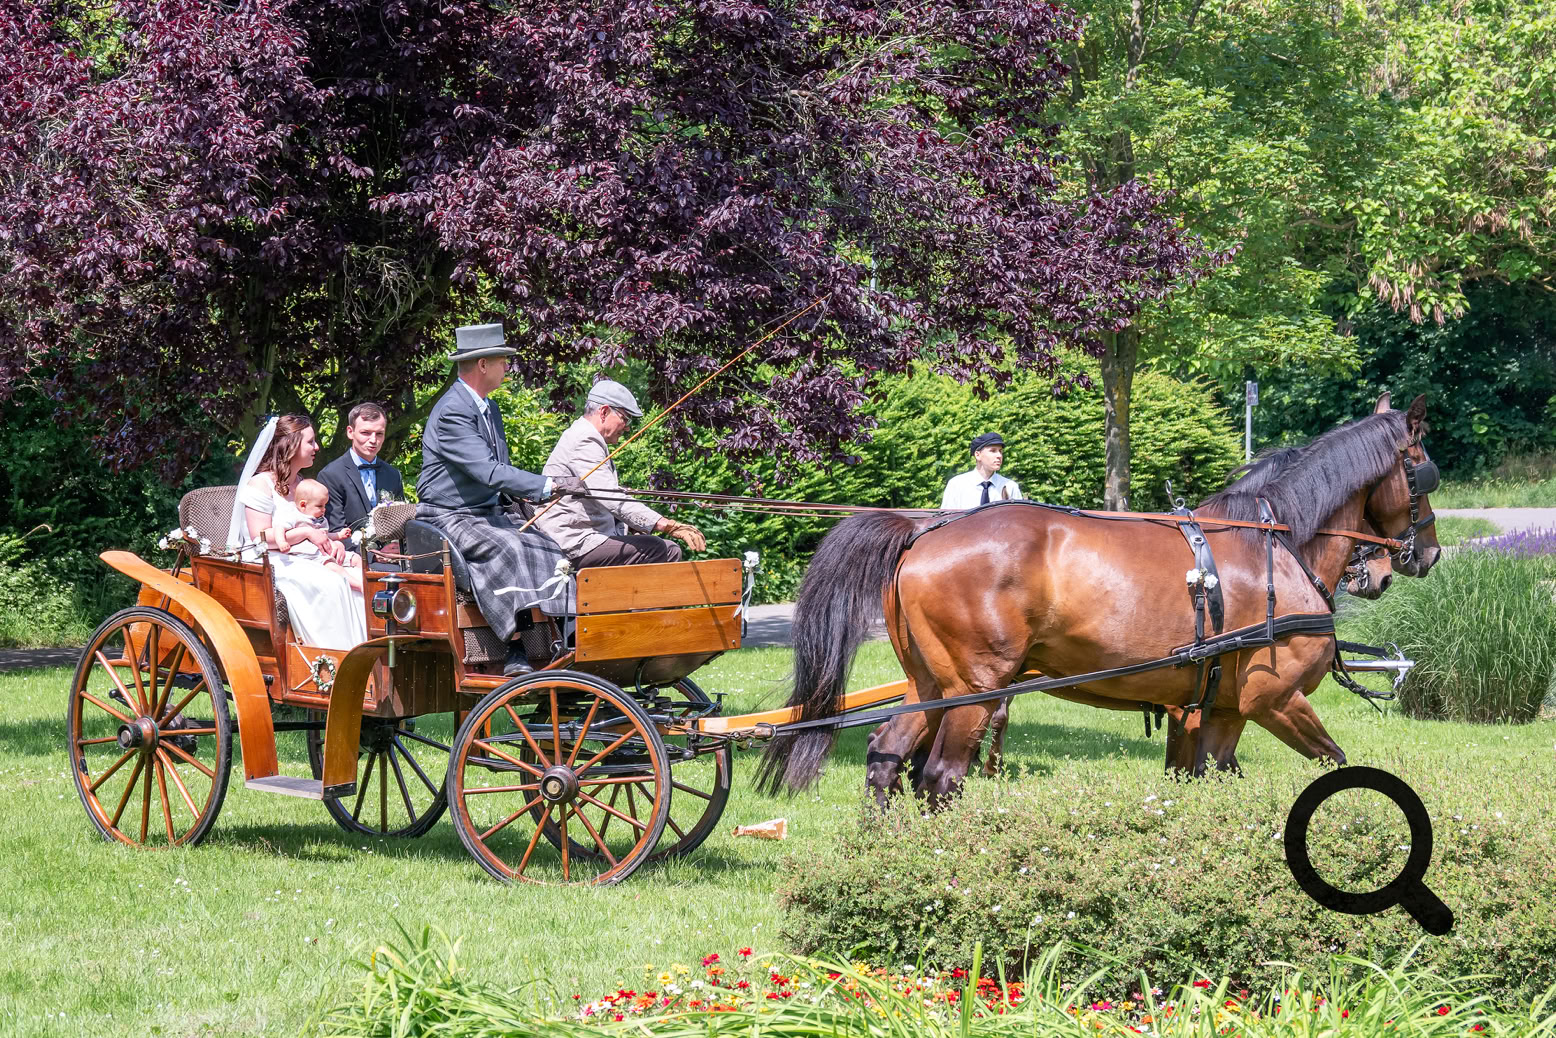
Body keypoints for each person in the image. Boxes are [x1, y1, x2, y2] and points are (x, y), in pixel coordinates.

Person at [416, 322, 588, 676]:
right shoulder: (452, 411)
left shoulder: (487, 408)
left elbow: (502, 470)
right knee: (510, 548)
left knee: (547, 547)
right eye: (502, 361)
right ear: (482, 364)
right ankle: (513, 648)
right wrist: (550, 484)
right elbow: (488, 471)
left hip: (485, 512)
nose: (508, 367)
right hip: (448, 514)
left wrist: (535, 497)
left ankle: (563, 638)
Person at [229, 415, 369, 650]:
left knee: (359, 573)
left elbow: (318, 528)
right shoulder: (259, 484)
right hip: (271, 558)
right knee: (332, 584)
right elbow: (260, 538)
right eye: (310, 442)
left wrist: (331, 543)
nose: (316, 447)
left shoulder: (304, 485)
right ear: (291, 445)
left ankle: (365, 655)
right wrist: (305, 534)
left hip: (305, 555)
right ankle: (331, 657)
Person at [533, 379, 706, 569]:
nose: (628, 427)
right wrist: (669, 525)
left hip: (585, 536)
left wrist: (633, 525)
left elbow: (600, 495)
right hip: (573, 542)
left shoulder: (584, 436)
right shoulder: (585, 440)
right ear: (604, 411)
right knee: (659, 548)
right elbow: (611, 497)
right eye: (625, 418)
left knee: (665, 548)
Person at [317, 401, 405, 533]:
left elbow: (401, 523)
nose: (373, 440)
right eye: (366, 433)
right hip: (351, 551)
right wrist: (373, 554)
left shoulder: (393, 475)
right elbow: (335, 530)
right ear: (350, 432)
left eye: (379, 434)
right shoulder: (331, 475)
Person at [287, 479, 365, 592]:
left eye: (325, 506)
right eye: (319, 506)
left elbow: (326, 535)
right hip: (311, 555)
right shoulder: (295, 517)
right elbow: (281, 529)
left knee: (356, 558)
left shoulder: (321, 519)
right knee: (333, 567)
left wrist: (339, 535)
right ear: (303, 504)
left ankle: (369, 580)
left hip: (327, 551)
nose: (324, 509)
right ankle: (358, 586)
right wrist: (282, 541)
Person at [940, 431, 1022, 509]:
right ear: (978, 455)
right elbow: (946, 519)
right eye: (993, 451)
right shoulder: (957, 485)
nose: (999, 455)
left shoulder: (1010, 486)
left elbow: (1018, 520)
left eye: (1000, 451)